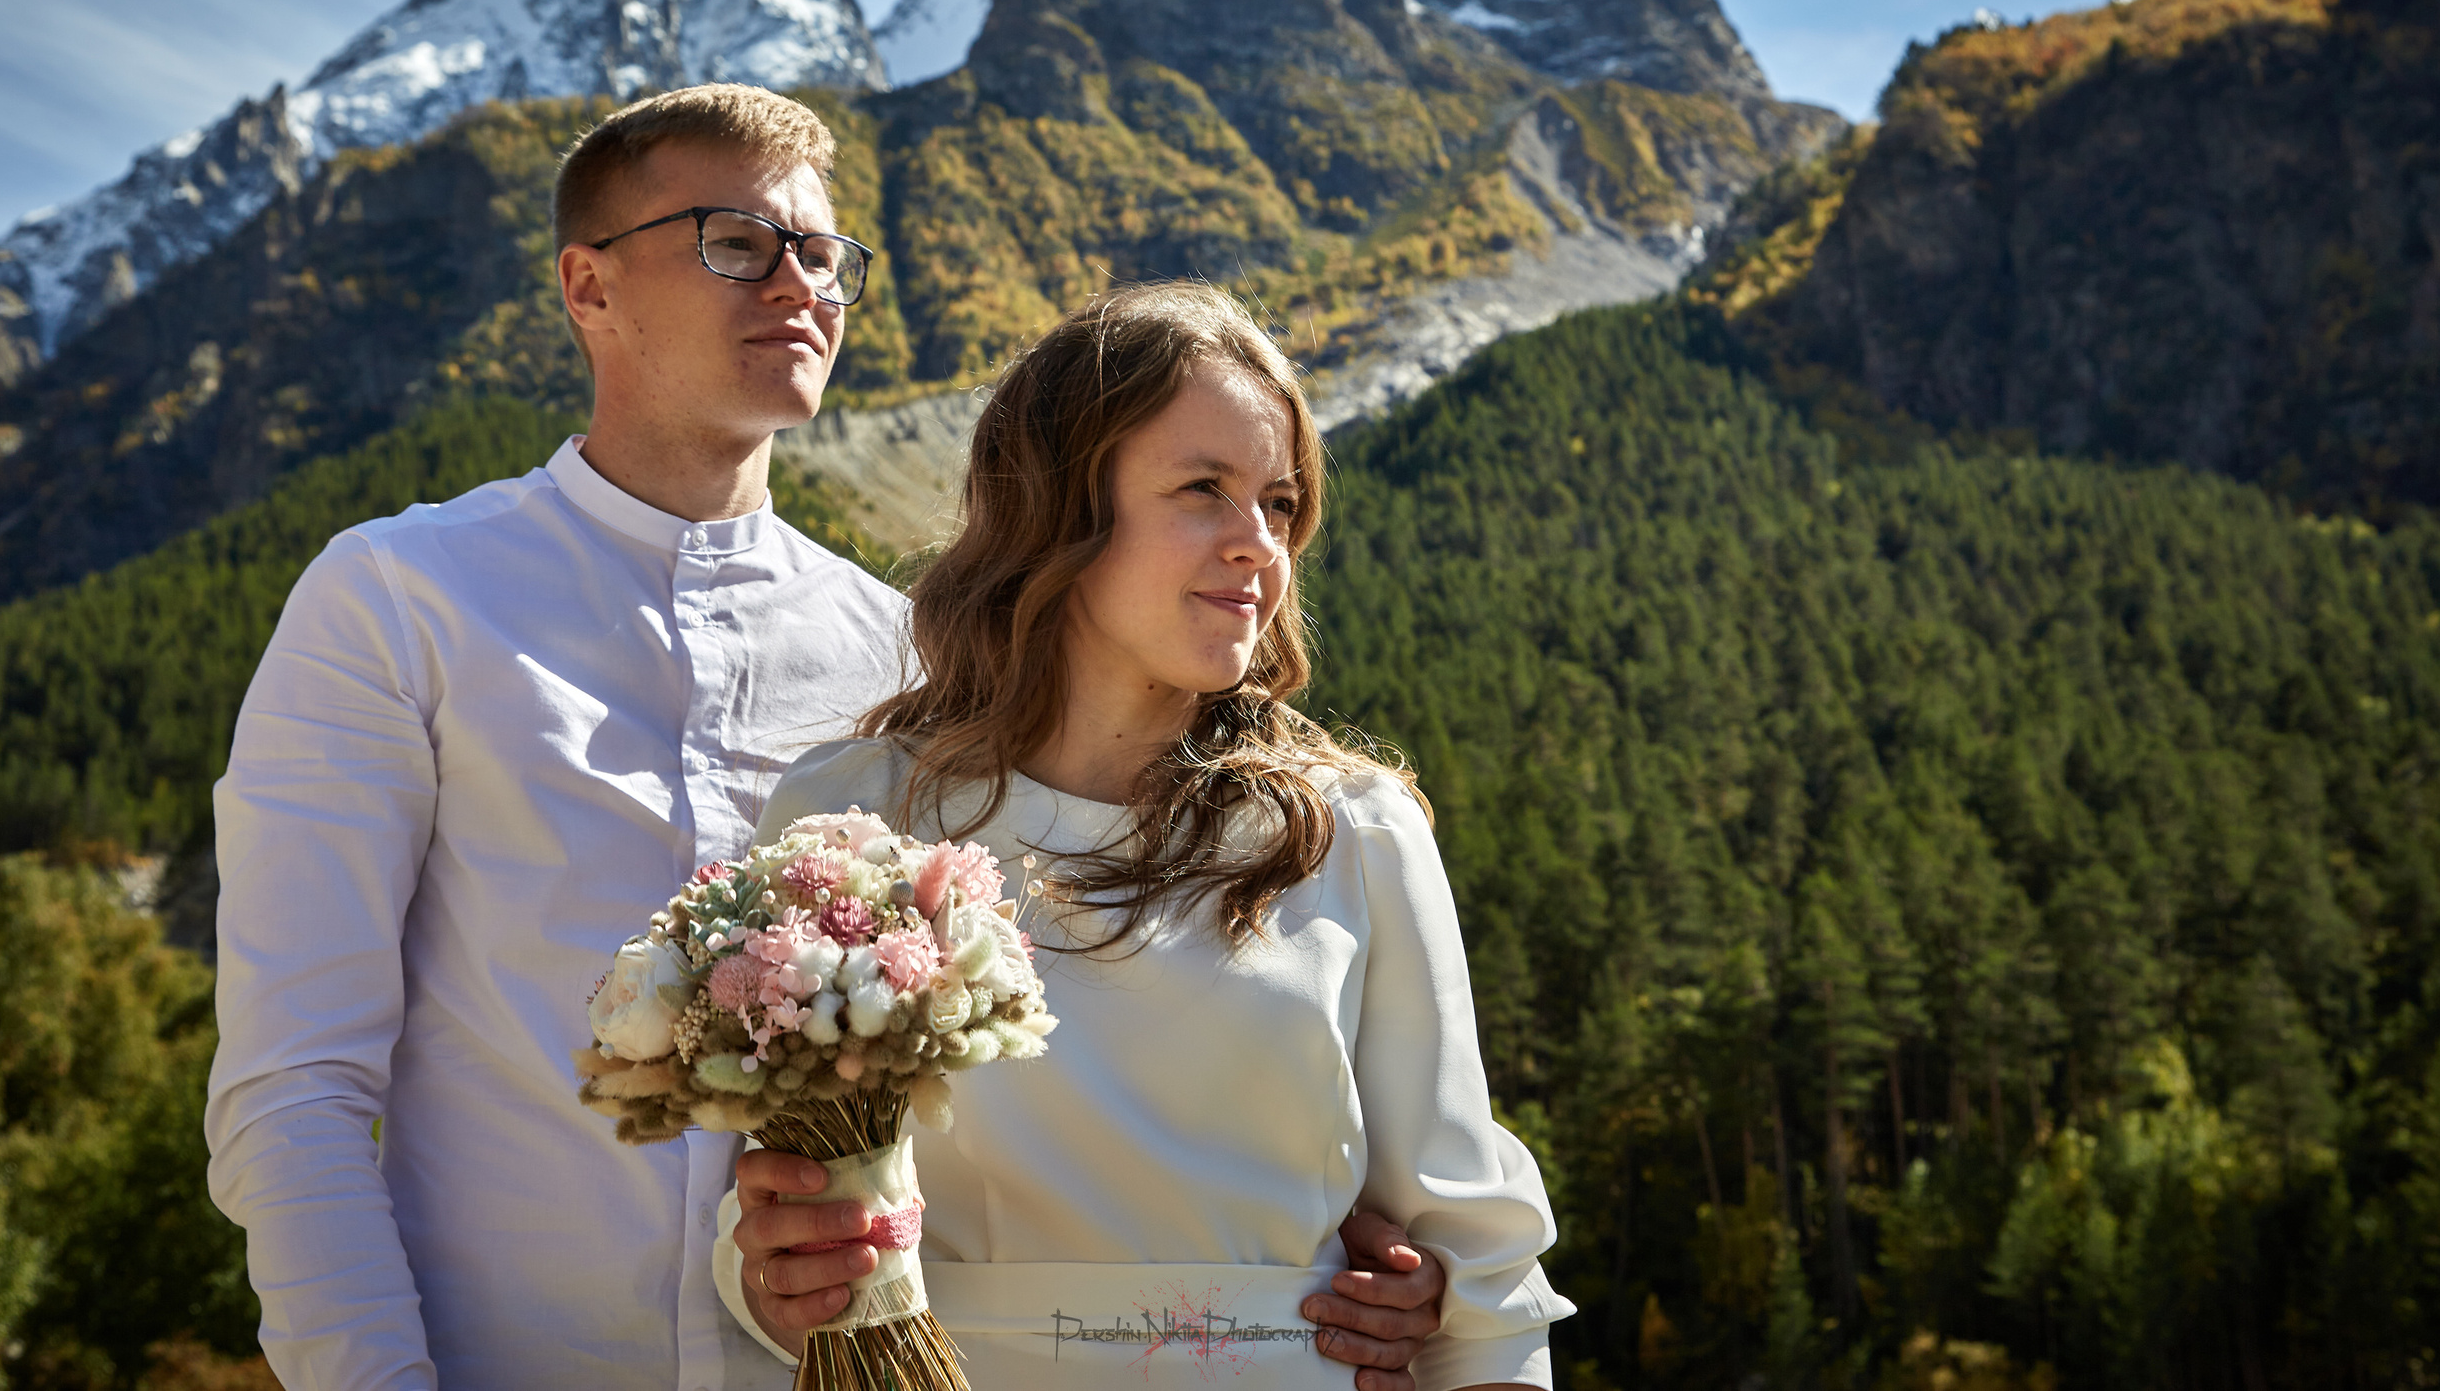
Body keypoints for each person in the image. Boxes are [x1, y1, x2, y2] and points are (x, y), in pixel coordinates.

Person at [204, 85, 1445, 1389]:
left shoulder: (913, 660)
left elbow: (1087, 1050)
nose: (800, 283)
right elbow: (296, 1092)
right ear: (588, 286)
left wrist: (1312, 1246)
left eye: (824, 253)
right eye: (736, 242)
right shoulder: (398, 599)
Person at [719, 283, 1573, 1388]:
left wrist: (1431, 1298)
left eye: (1277, 501)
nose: (1256, 546)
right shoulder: (852, 818)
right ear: (1057, 512)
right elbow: (768, 1231)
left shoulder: (1351, 831)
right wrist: (771, 1285)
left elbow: (1479, 1269)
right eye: (1203, 491)